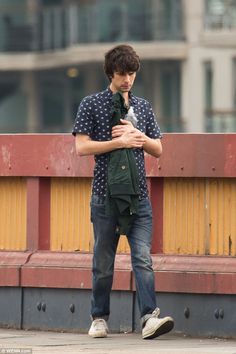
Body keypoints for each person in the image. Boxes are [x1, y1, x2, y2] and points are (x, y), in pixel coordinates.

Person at [72, 44, 174, 339]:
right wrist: (118, 143)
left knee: (143, 257)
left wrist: (138, 137)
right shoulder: (91, 104)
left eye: (131, 73)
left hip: (139, 195)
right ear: (110, 74)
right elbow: (81, 147)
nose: (127, 79)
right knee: (103, 261)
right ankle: (99, 317)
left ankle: (148, 318)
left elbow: (158, 149)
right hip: (105, 194)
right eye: (121, 73)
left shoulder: (142, 107)